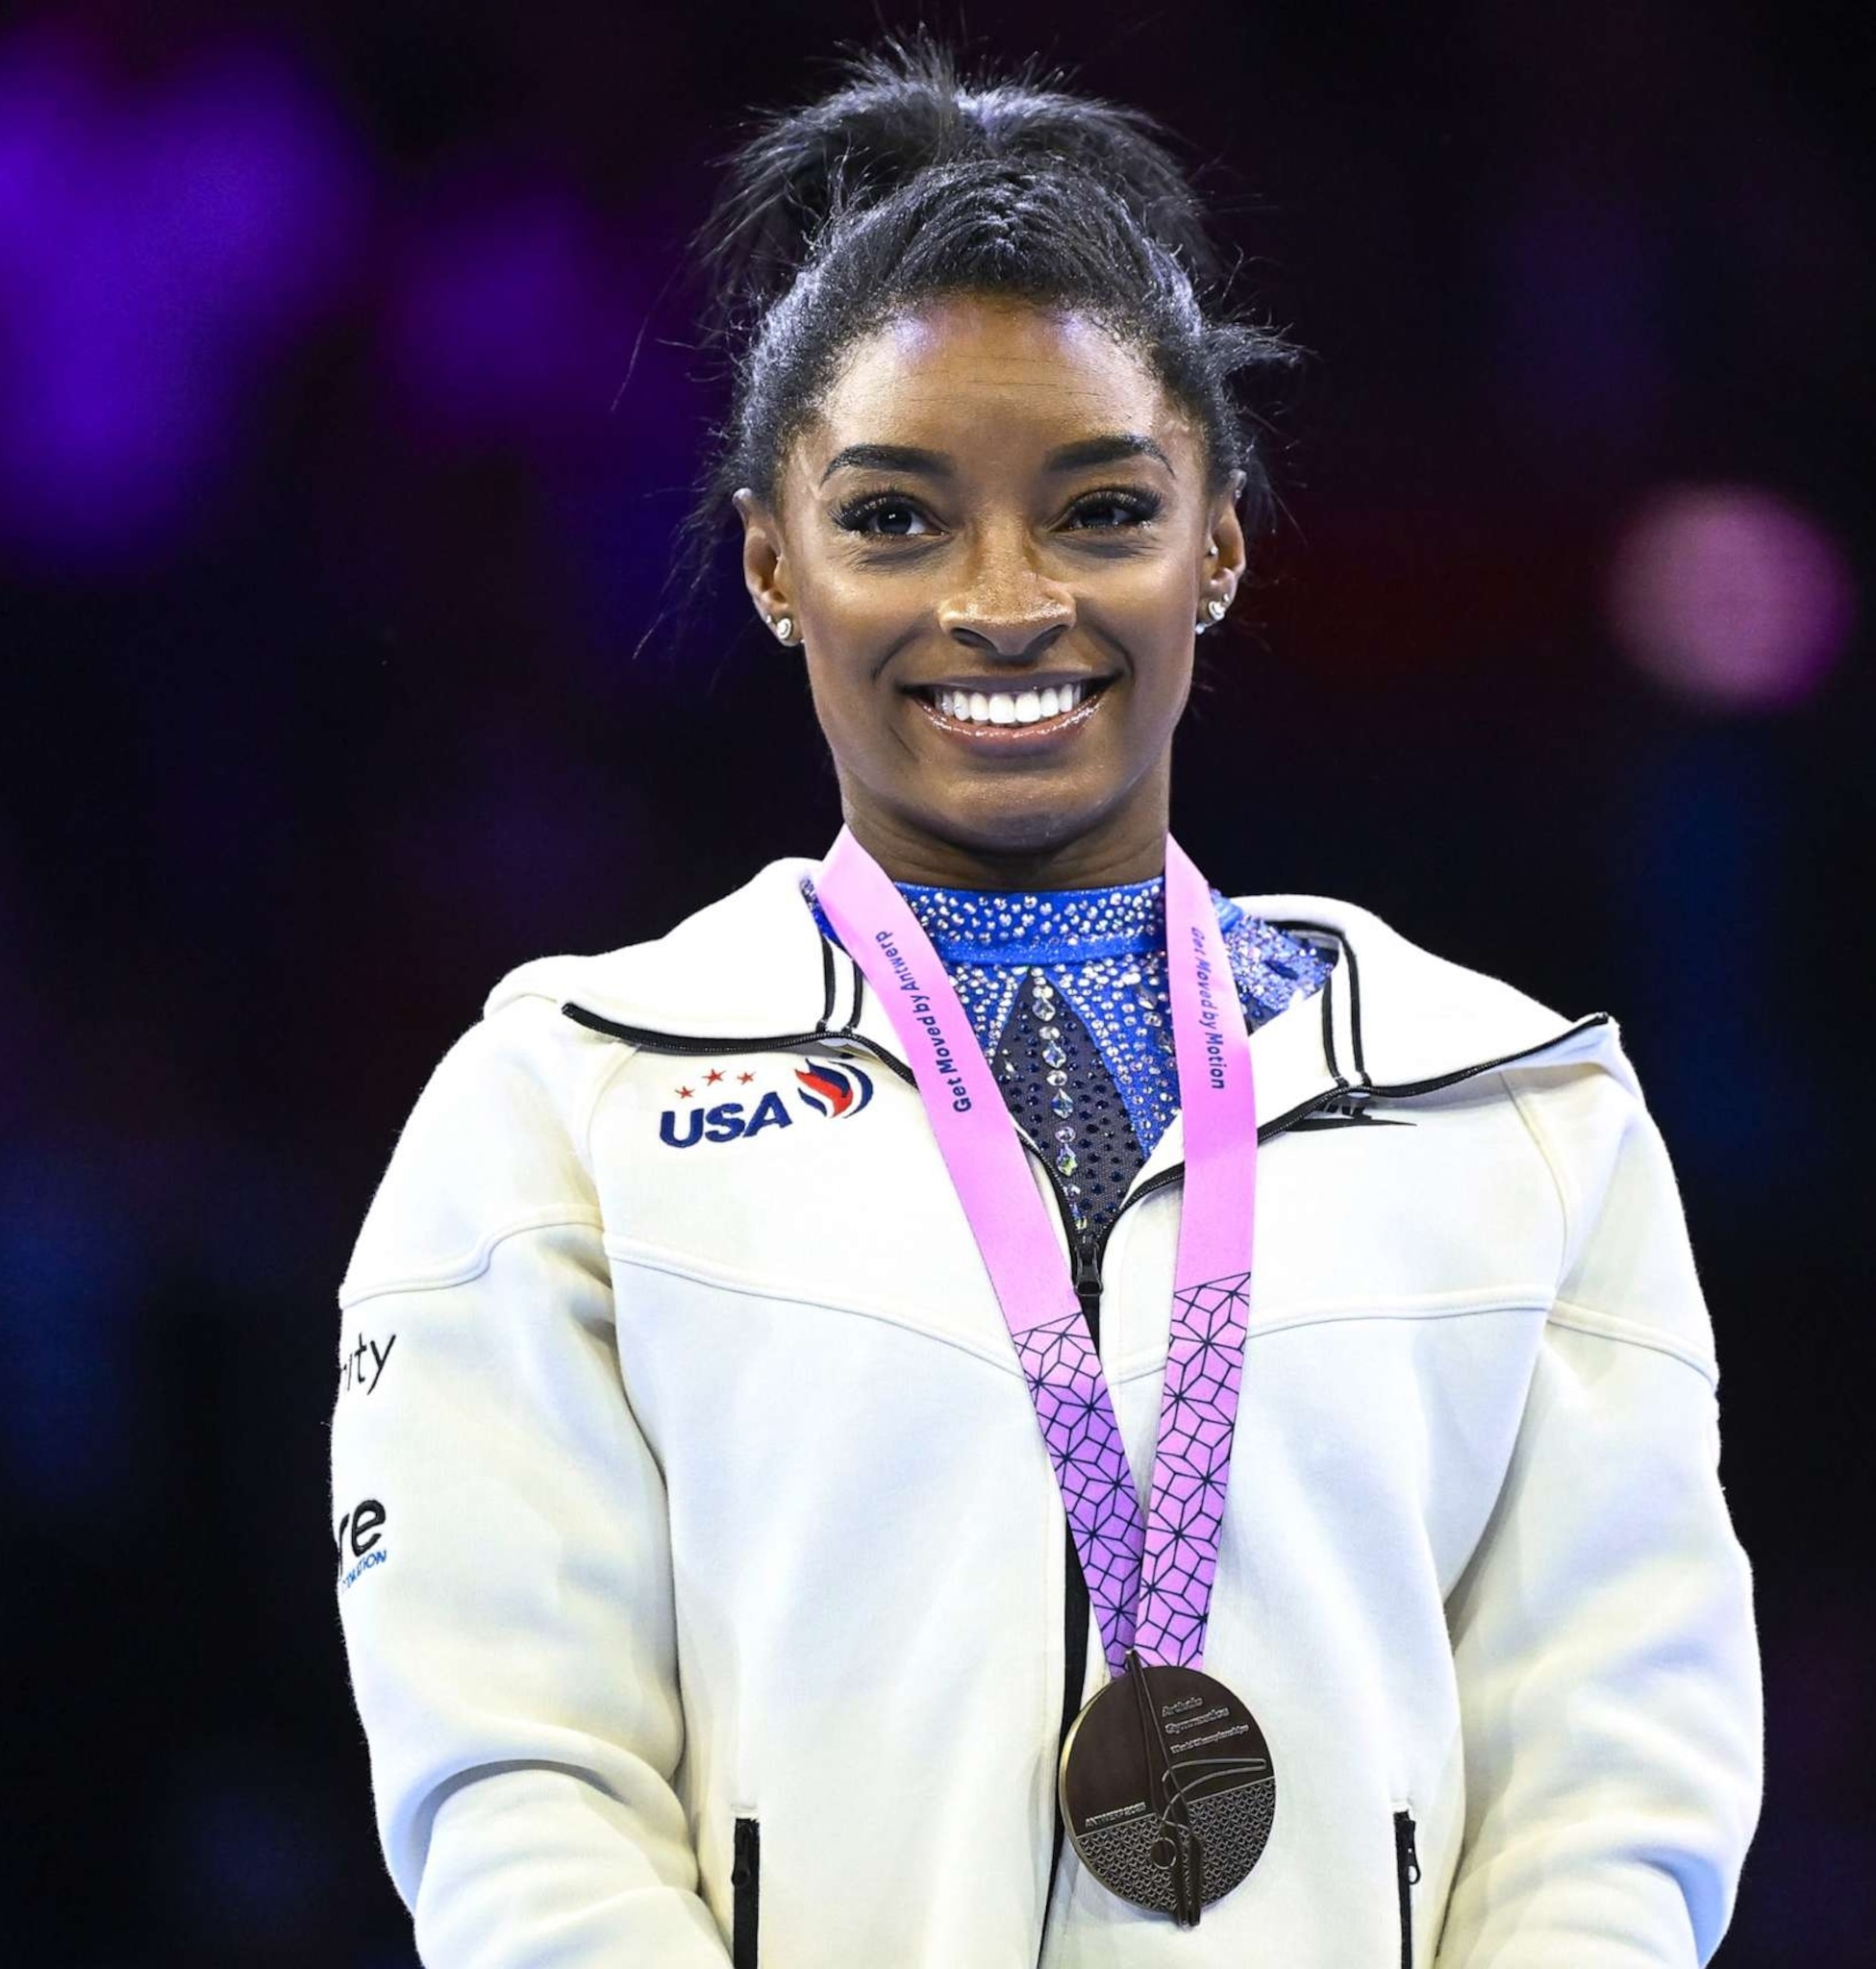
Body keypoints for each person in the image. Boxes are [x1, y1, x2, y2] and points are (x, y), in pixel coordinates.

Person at [331, 44, 1760, 1967]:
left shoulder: (1521, 1114)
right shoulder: (559, 1111)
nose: (1004, 601)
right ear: (774, 558)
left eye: (1097, 512)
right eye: (897, 519)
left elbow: (1612, 1783)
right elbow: (522, 1786)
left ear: (1219, 543)